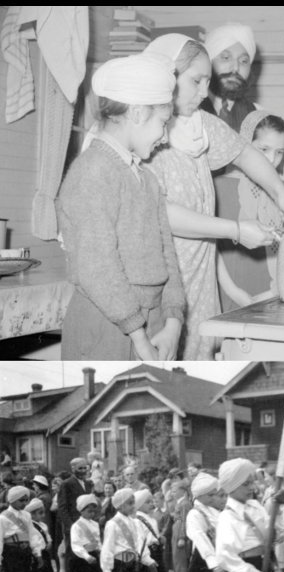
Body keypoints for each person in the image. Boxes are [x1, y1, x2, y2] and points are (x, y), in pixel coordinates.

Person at [143, 33, 284, 360]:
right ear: (165, 76)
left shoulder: (199, 124)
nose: (205, 92)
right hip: (161, 280)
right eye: (196, 81)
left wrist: (280, 191)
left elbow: (244, 152)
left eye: (207, 81)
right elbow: (161, 213)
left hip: (200, 278)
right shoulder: (147, 132)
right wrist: (237, 230)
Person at [58, 53, 184, 360]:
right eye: (163, 123)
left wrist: (173, 321)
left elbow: (168, 254)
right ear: (139, 113)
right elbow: (97, 267)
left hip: (149, 323)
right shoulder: (92, 172)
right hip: (107, 326)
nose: (165, 137)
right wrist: (139, 337)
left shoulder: (147, 180)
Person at [215, 111, 284, 311]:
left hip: (276, 291)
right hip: (229, 290)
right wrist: (233, 291)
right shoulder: (218, 187)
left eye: (280, 152)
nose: (272, 159)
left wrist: (276, 291)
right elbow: (210, 248)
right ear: (245, 144)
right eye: (264, 149)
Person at [216, 458, 283, 572]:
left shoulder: (255, 506)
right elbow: (225, 557)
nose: (252, 487)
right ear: (232, 485)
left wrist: (278, 512)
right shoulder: (227, 517)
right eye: (246, 484)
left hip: (264, 565)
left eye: (252, 482)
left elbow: (271, 533)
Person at [183, 472, 236, 572]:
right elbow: (200, 540)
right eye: (211, 495)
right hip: (203, 565)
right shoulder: (195, 514)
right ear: (200, 496)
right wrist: (213, 563)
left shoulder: (218, 513)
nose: (215, 498)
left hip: (221, 562)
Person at [199, 23, 260, 132]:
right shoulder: (188, 110)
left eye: (244, 61)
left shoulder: (259, 117)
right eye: (226, 58)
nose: (235, 68)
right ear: (208, 61)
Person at [57, 458, 94, 572]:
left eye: (85, 468)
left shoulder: (89, 484)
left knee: (87, 552)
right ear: (73, 469)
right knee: (72, 555)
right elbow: (62, 508)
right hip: (73, 525)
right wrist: (71, 526)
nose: (83, 471)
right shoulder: (66, 484)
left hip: (87, 525)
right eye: (80, 468)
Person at [24, 499, 54, 572]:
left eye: (43, 512)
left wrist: (49, 541)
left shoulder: (43, 525)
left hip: (44, 553)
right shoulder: (30, 526)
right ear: (32, 515)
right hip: (34, 554)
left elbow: (47, 535)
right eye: (40, 513)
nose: (43, 515)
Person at [169, 480, 191, 572]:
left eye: (174, 491)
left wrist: (182, 537)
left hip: (179, 529)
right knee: (176, 556)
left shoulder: (184, 503)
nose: (172, 494)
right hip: (176, 527)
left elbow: (184, 520)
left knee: (180, 557)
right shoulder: (180, 503)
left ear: (182, 491)